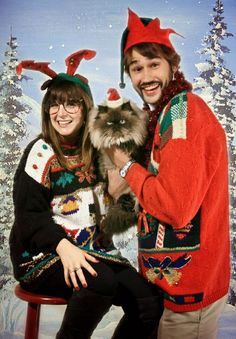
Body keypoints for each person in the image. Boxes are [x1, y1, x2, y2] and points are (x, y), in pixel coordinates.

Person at [9, 49, 163, 339]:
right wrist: (64, 248)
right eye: (54, 105)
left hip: (92, 250)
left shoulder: (96, 147)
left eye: (71, 105)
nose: (61, 112)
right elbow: (29, 218)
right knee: (100, 281)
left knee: (148, 301)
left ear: (85, 109)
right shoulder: (40, 152)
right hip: (43, 255)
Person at [106, 8, 231, 339]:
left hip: (188, 298)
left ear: (172, 65)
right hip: (164, 289)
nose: (145, 76)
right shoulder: (162, 117)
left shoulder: (182, 114)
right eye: (136, 68)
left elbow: (175, 207)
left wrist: (126, 165)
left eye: (153, 64)